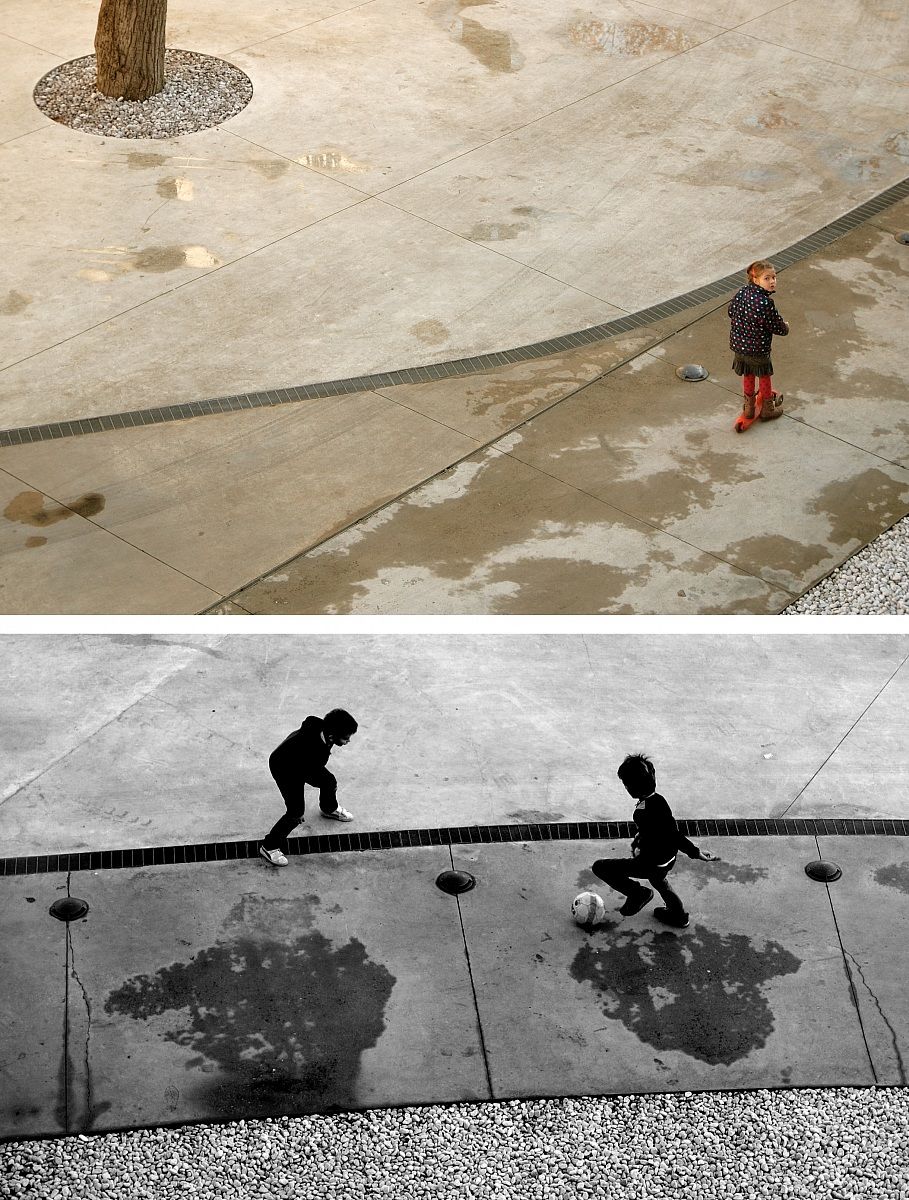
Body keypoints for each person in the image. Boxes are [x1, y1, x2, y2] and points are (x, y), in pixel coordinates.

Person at [591, 753, 717, 928]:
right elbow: (672, 833)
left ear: (630, 788)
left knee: (601, 867)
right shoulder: (660, 801)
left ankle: (637, 893)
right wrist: (694, 851)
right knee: (659, 881)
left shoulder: (641, 812)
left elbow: (661, 835)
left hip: (650, 862)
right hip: (668, 859)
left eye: (625, 784)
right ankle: (678, 915)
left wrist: (640, 848)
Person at [259, 708, 359, 867]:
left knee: (328, 781)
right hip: (286, 768)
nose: (348, 741)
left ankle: (329, 808)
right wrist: (297, 807)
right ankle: (269, 846)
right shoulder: (312, 748)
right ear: (332, 735)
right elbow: (300, 774)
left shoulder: (322, 728)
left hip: (305, 763)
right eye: (346, 738)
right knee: (295, 812)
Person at [728, 260, 789, 432]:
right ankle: (768, 409)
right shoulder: (765, 303)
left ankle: (748, 409)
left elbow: (731, 311)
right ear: (755, 280)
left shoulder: (741, 293)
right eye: (767, 278)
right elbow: (776, 325)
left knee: (747, 374)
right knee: (764, 376)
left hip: (739, 346)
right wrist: (785, 327)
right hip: (758, 349)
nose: (772, 281)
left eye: (774, 277)